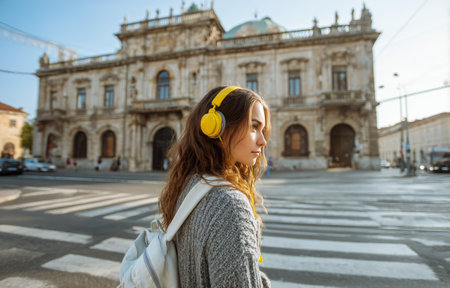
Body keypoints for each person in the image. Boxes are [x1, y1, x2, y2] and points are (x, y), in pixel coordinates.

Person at [158, 86, 271, 287]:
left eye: (262, 130)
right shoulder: (230, 206)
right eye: (254, 127)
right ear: (216, 126)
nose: (263, 141)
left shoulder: (190, 185)